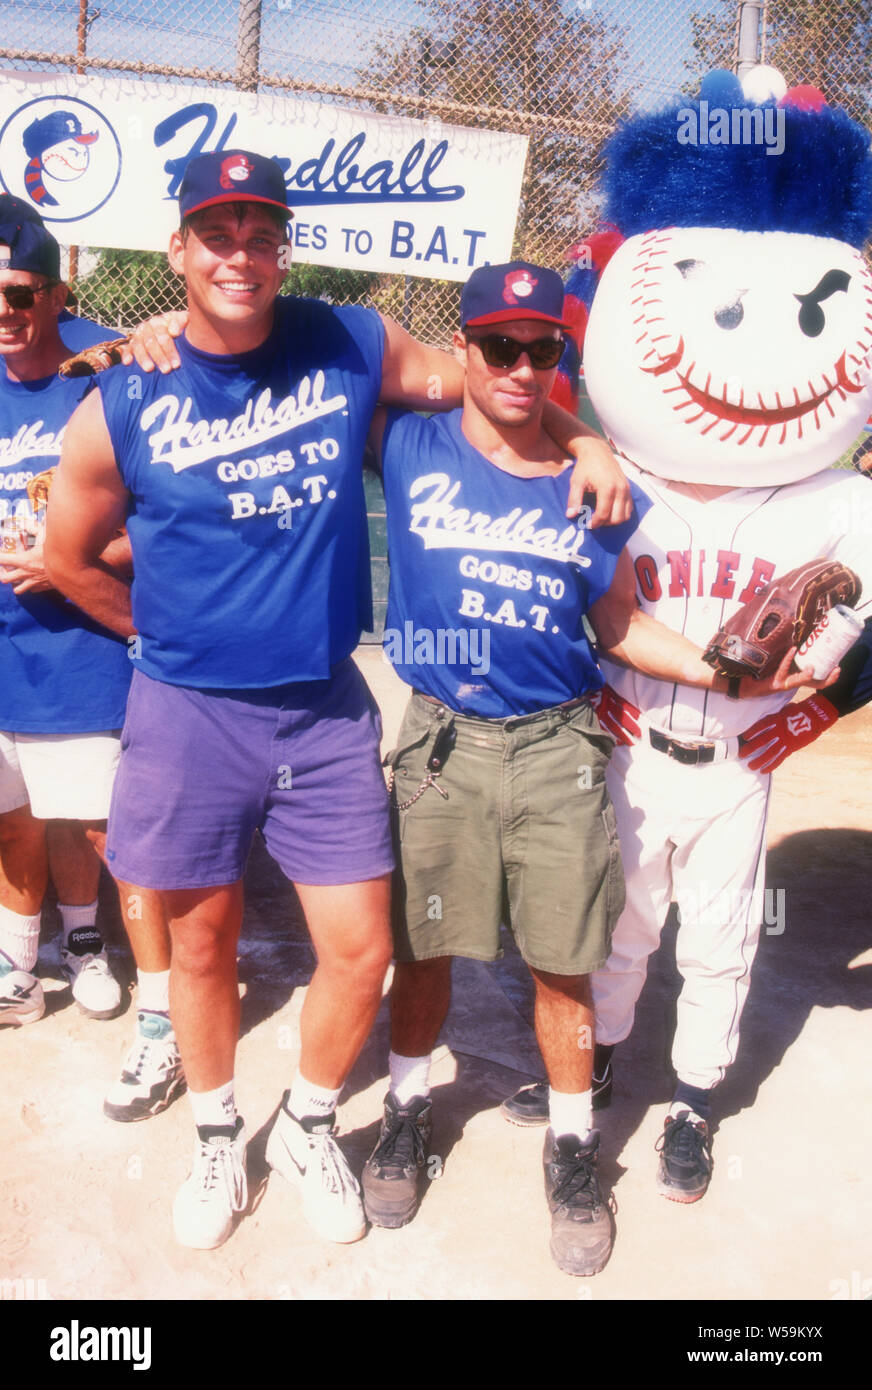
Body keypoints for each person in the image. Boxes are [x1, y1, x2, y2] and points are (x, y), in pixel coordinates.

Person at [44, 150, 631, 1252]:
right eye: (216, 233)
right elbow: (65, 554)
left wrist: (586, 435)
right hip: (185, 712)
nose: (241, 254)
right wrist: (153, 636)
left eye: (261, 233)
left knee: (361, 947)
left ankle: (311, 1119)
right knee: (203, 943)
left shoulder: (349, 343)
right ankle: (220, 1135)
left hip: (320, 708)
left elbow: (498, 378)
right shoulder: (125, 393)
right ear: (179, 250)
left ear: (283, 250)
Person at [356, 260, 832, 1276]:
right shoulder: (409, 441)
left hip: (554, 738)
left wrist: (719, 672)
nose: (522, 366)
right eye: (500, 345)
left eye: (544, 349)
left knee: (562, 957)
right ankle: (404, 1110)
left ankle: (572, 1146)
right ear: (464, 346)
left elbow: (614, 621)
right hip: (440, 734)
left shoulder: (596, 492)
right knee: (425, 944)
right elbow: (315, 353)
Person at [0, 195, 129, 1026]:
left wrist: (74, 562)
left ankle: (83, 942)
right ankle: (16, 956)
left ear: (53, 294)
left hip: (77, 639)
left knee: (82, 818)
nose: (4, 315)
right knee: (9, 813)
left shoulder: (109, 370)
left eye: (18, 295)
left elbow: (165, 519)